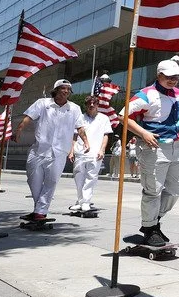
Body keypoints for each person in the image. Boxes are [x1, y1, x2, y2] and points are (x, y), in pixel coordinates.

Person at [119, 58, 179, 247]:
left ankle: (154, 220)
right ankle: (149, 228)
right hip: (155, 148)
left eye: (176, 77)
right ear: (159, 75)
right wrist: (143, 132)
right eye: (169, 77)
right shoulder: (147, 94)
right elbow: (123, 115)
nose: (173, 81)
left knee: (177, 188)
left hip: (178, 147)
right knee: (153, 191)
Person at [12, 79, 89, 222]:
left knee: (51, 182)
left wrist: (86, 142)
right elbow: (28, 117)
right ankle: (38, 209)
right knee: (32, 180)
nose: (66, 91)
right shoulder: (43, 103)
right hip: (39, 149)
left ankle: (40, 212)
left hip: (59, 152)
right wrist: (18, 131)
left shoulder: (74, 108)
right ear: (56, 90)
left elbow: (80, 127)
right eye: (62, 88)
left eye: (68, 89)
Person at [67, 96, 112, 212]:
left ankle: (86, 202)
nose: (91, 105)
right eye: (89, 103)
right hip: (80, 152)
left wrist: (102, 149)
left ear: (97, 105)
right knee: (78, 177)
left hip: (95, 153)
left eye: (94, 103)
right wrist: (71, 151)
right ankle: (80, 201)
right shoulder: (80, 118)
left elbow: (106, 135)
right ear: (85, 105)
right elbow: (75, 136)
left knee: (91, 177)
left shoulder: (104, 118)